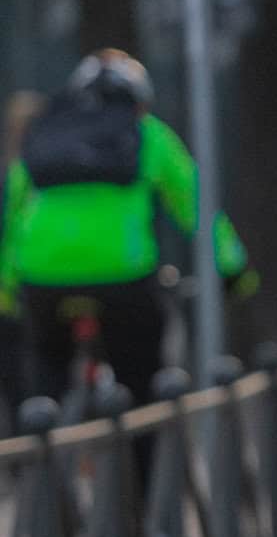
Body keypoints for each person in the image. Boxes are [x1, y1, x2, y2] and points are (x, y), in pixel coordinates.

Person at [0, 50, 255, 410]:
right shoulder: (147, 133)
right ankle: (145, 460)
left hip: (41, 277)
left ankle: (44, 448)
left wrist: (7, 290)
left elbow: (12, 212)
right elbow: (194, 205)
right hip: (123, 275)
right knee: (141, 379)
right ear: (140, 101)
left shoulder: (45, 130)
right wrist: (231, 267)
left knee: (46, 368)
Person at [0, 91, 44, 428]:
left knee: (20, 392)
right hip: (21, 295)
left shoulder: (17, 174)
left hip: (14, 296)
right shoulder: (28, 176)